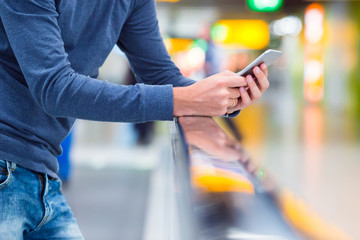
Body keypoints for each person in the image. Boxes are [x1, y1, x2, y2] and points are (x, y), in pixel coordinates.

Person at [0, 0, 269, 239]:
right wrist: (187, 99)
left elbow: (162, 75)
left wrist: (226, 95)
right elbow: (56, 89)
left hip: (42, 173)